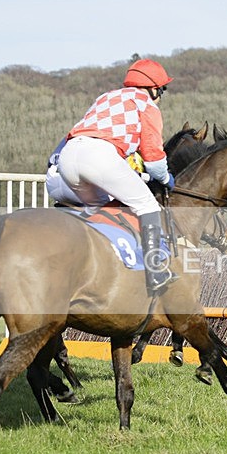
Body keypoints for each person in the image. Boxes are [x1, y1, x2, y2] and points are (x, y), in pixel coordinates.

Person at [49, 58, 177, 295]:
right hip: (100, 157)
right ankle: (156, 271)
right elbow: (154, 159)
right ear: (154, 88)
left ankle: (89, 263)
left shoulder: (106, 97)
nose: (161, 94)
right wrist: (167, 178)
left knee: (100, 210)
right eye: (163, 89)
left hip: (68, 156)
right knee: (147, 206)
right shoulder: (148, 106)